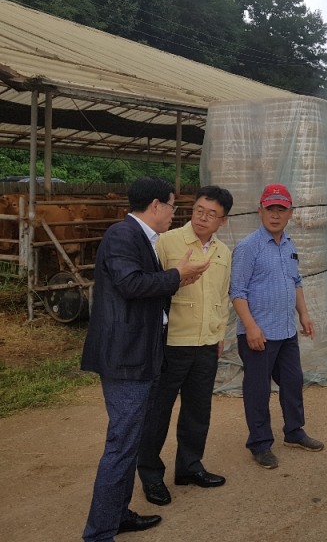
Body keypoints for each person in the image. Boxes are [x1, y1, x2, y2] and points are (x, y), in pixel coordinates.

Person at [81, 177, 211, 542]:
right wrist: (176, 275)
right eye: (172, 205)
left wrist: (176, 280)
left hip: (140, 352)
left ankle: (117, 514)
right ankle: (99, 531)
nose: (174, 213)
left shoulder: (140, 238)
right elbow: (131, 284)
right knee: (122, 443)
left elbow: (142, 288)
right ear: (156, 205)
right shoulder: (122, 235)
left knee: (131, 438)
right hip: (125, 357)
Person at [136, 185, 234, 507]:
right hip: (172, 343)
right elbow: (151, 288)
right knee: (158, 412)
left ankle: (190, 467)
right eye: (199, 211)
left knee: (197, 411)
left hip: (206, 345)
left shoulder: (223, 252)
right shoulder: (168, 242)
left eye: (212, 214)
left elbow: (222, 296)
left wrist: (218, 336)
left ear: (223, 220)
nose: (203, 218)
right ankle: (151, 475)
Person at [230, 183, 323, 469]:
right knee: (258, 389)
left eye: (281, 209)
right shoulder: (249, 247)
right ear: (260, 211)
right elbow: (238, 292)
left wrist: (304, 314)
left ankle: (294, 431)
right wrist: (251, 327)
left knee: (293, 382)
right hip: (259, 334)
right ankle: (260, 443)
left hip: (286, 330)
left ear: (290, 213)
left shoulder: (289, 244)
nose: (275, 215)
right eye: (270, 209)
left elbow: (295, 282)